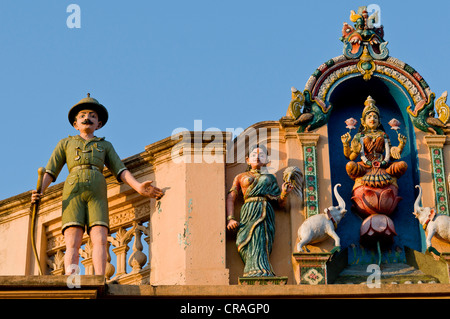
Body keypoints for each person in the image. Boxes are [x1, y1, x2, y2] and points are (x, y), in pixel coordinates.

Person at [31, 94, 164, 276]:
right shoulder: (66, 143)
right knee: (73, 240)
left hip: (97, 191)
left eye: (92, 116)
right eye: (83, 115)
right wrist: (39, 191)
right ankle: (72, 279)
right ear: (75, 123)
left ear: (99, 124)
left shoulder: (104, 145)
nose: (87, 118)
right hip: (73, 190)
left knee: (100, 237)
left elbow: (120, 170)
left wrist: (138, 187)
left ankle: (100, 277)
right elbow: (51, 170)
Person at [226, 145, 293, 277]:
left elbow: (279, 203)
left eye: (261, 155)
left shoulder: (271, 178)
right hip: (248, 210)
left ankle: (263, 270)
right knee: (245, 240)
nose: (257, 157)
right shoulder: (240, 176)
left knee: (262, 239)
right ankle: (250, 269)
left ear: (267, 160)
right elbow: (231, 197)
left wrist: (284, 193)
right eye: (253, 155)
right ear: (247, 160)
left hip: (264, 210)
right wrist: (230, 218)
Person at [340, 96, 407, 188]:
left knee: (402, 165)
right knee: (350, 166)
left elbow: (391, 156)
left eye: (375, 117)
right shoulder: (359, 136)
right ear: (363, 122)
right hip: (365, 166)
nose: (372, 119)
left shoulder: (383, 135)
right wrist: (346, 144)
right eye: (369, 117)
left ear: (379, 122)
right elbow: (350, 157)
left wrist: (401, 144)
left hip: (383, 165)